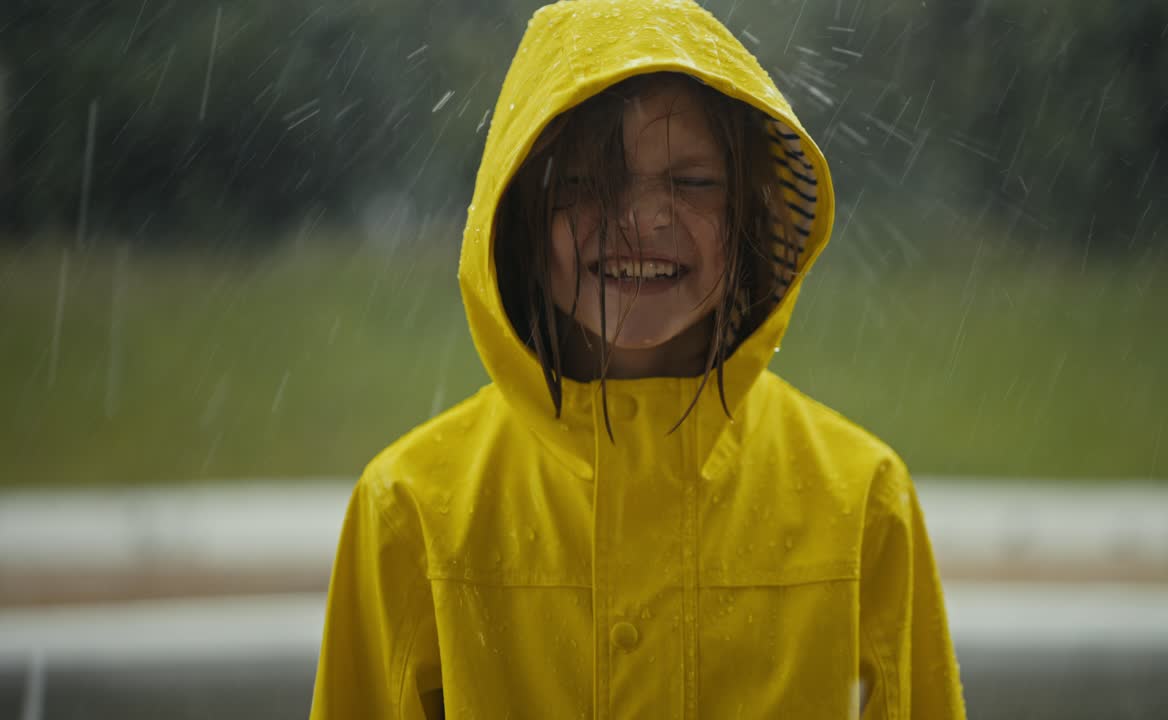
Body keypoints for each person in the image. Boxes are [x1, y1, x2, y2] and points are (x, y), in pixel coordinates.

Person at [310, 0, 966, 717]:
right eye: (586, 181)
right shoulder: (411, 511)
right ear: (518, 215)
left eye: (692, 182)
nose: (645, 217)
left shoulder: (860, 499)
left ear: (749, 213)